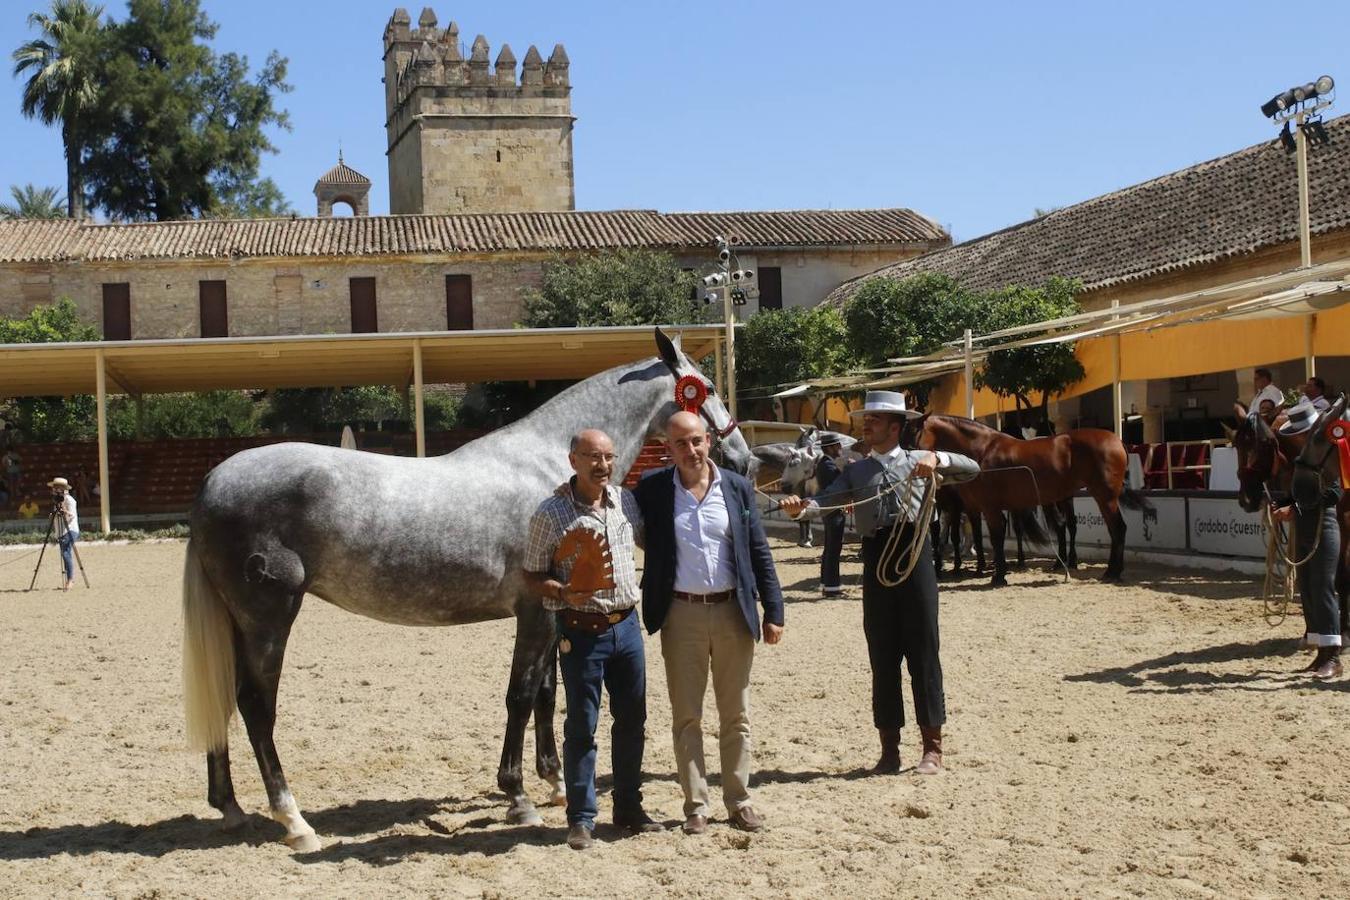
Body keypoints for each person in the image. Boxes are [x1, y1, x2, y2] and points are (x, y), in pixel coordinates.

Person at [781, 391, 979, 776]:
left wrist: (939, 458)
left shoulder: (920, 462)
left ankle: (932, 748)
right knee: (882, 656)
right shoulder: (856, 472)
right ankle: (889, 750)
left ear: (895, 426)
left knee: (924, 654)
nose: (865, 425)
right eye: (865, 420)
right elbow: (826, 501)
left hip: (916, 555)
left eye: (873, 420)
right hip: (876, 559)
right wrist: (800, 508)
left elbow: (972, 468)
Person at [632, 410, 784, 835]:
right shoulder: (653, 490)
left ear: (709, 441)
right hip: (681, 614)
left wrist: (774, 609)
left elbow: (759, 551)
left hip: (734, 611)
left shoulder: (736, 487)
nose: (691, 449)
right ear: (669, 449)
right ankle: (695, 805)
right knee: (687, 716)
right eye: (681, 443)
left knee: (736, 714)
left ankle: (738, 800)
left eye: (697, 440)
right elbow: (610, 504)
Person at [522, 429, 659, 851]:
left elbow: (651, 538)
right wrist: (562, 593)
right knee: (582, 725)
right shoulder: (550, 513)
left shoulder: (624, 501)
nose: (602, 465)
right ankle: (581, 817)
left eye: (608, 457)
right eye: (592, 457)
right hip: (581, 632)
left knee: (633, 720)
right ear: (573, 461)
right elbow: (530, 575)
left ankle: (629, 808)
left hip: (627, 627)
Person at [1270, 402, 1342, 680]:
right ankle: (1322, 653)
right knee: (1309, 587)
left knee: (1323, 587)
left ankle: (1333, 656)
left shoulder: (1326, 454)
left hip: (1323, 527)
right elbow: (1301, 494)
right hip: (1306, 527)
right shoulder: (1304, 458)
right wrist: (1284, 502)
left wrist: (1294, 509)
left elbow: (1333, 493)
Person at [816, 433, 847, 597]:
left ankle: (825, 581)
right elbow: (841, 484)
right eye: (837, 446)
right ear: (830, 448)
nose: (840, 448)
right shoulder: (828, 465)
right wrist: (849, 469)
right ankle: (832, 587)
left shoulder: (826, 463)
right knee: (834, 549)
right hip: (833, 510)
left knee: (830, 547)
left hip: (831, 511)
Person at [48, 476, 79, 591]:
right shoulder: (57, 501)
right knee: (65, 554)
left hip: (70, 529)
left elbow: (71, 516)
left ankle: (70, 579)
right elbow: (55, 517)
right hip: (61, 531)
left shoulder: (70, 500)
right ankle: (69, 579)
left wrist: (63, 511)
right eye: (54, 488)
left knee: (66, 553)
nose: (55, 490)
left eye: (57, 488)